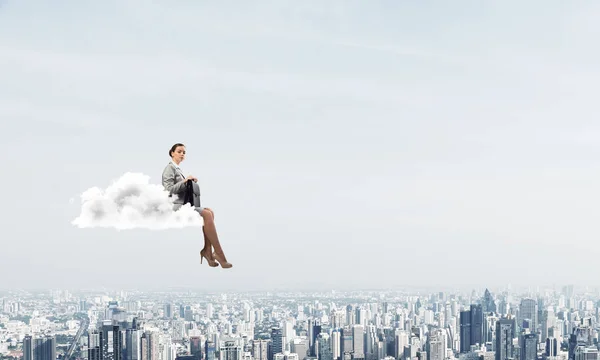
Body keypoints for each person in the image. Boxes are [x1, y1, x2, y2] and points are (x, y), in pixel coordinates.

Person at [162, 143, 232, 269]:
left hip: (183, 203)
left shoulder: (177, 169)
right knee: (206, 214)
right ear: (172, 153)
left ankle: (207, 251)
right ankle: (219, 254)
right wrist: (185, 181)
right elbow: (167, 190)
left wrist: (189, 181)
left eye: (184, 152)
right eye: (179, 151)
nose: (182, 154)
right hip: (175, 205)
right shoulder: (169, 168)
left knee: (210, 211)